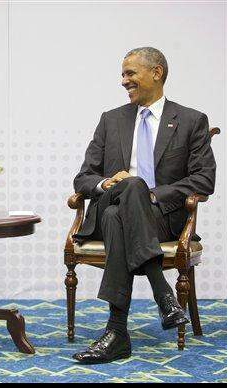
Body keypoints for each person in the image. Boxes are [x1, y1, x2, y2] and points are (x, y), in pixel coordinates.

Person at [71, 46, 216, 363]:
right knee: (127, 190)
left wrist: (152, 194)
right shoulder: (111, 120)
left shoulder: (191, 120)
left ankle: (116, 334)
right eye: (123, 74)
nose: (124, 81)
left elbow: (204, 180)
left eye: (130, 73)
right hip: (115, 199)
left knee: (115, 215)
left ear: (156, 72)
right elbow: (83, 178)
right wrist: (107, 183)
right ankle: (162, 290)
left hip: (161, 216)